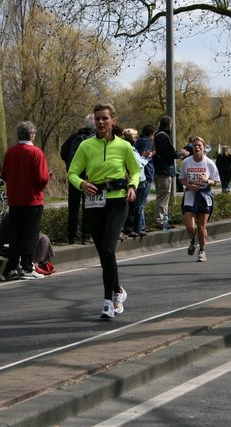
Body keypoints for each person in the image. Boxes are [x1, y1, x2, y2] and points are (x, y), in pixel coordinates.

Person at [68, 103, 140, 319]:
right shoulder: (86, 146)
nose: (100, 122)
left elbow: (135, 170)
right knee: (103, 254)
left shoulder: (124, 147)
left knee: (109, 250)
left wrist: (132, 186)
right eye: (97, 119)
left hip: (118, 201)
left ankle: (108, 301)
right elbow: (72, 172)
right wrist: (81, 184)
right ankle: (118, 290)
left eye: (104, 119)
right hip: (94, 203)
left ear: (113, 121)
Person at [1, 121, 50, 280]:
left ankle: (11, 267)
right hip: (32, 199)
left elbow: (4, 174)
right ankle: (27, 266)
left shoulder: (10, 151)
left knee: (15, 234)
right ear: (32, 135)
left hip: (15, 199)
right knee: (30, 234)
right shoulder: (36, 152)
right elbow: (42, 178)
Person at [179, 137, 220, 262]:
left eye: (199, 146)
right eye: (195, 145)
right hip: (191, 195)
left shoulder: (209, 163)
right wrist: (189, 185)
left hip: (204, 195)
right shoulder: (186, 162)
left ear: (204, 148)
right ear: (192, 148)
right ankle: (193, 240)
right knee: (190, 227)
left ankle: (202, 251)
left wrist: (206, 181)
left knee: (201, 227)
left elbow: (216, 181)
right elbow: (181, 178)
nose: (197, 148)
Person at [60, 114, 95, 245]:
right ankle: (86, 236)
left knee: (73, 208)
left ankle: (71, 236)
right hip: (89, 177)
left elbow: (63, 151)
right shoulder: (94, 138)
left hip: (74, 176)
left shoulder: (74, 136)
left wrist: (71, 165)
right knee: (88, 207)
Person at [153, 116, 190, 227]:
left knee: (161, 196)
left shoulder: (156, 134)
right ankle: (161, 221)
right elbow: (171, 153)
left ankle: (163, 220)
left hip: (158, 169)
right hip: (164, 171)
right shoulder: (164, 137)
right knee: (164, 197)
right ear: (169, 125)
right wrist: (182, 153)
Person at [122, 128, 155, 238]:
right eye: (135, 137)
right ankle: (132, 228)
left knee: (136, 206)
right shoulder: (130, 149)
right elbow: (137, 164)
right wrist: (145, 158)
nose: (137, 139)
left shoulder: (133, 149)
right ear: (132, 138)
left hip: (139, 180)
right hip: (135, 181)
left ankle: (136, 228)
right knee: (134, 207)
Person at [134, 125, 156, 233]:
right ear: (151, 134)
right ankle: (140, 226)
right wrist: (147, 176)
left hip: (142, 176)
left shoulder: (138, 141)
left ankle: (140, 225)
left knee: (139, 203)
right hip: (145, 177)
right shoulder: (146, 142)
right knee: (141, 204)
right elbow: (143, 158)